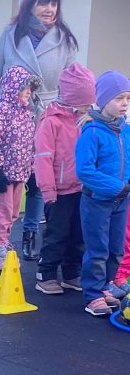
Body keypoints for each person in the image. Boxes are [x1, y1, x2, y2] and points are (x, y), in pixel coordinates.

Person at [0, 0, 78, 264]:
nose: (49, 9)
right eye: (43, 3)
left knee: (37, 180)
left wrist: (71, 120)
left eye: (54, 3)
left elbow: (70, 85)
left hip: (45, 117)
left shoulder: (64, 40)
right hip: (8, 120)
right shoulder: (11, 35)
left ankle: (30, 234)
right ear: (30, 5)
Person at [32, 63, 95, 295]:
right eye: (85, 101)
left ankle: (71, 273)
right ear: (72, 98)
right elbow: (43, 158)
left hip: (82, 188)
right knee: (57, 234)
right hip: (58, 190)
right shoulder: (51, 121)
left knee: (79, 234)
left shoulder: (86, 120)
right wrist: (48, 190)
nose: (89, 106)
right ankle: (46, 274)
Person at [75, 71, 130, 316]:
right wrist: (117, 187)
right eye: (119, 98)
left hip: (121, 201)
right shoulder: (92, 132)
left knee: (116, 249)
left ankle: (105, 286)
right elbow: (85, 171)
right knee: (97, 250)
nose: (125, 103)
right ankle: (93, 295)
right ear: (104, 100)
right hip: (97, 201)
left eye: (128, 98)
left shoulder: (126, 130)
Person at [0, 67, 38, 272]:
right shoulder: (0, 112)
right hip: (4, 174)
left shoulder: (26, 114)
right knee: (4, 213)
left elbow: (29, 145)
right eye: (24, 88)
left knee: (13, 213)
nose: (28, 92)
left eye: (30, 88)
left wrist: (32, 168)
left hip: (20, 172)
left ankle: (2, 244)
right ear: (13, 89)